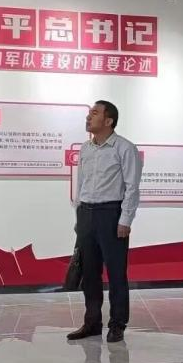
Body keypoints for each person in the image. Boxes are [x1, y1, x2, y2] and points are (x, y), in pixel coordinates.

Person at [68, 100, 143, 344]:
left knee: (116, 273)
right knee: (89, 273)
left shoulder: (125, 148)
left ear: (109, 121)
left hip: (111, 214)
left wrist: (125, 219)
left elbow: (132, 187)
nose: (88, 117)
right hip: (86, 213)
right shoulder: (85, 148)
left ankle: (117, 324)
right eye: (89, 113)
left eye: (94, 113)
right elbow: (81, 183)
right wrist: (79, 216)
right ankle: (92, 323)